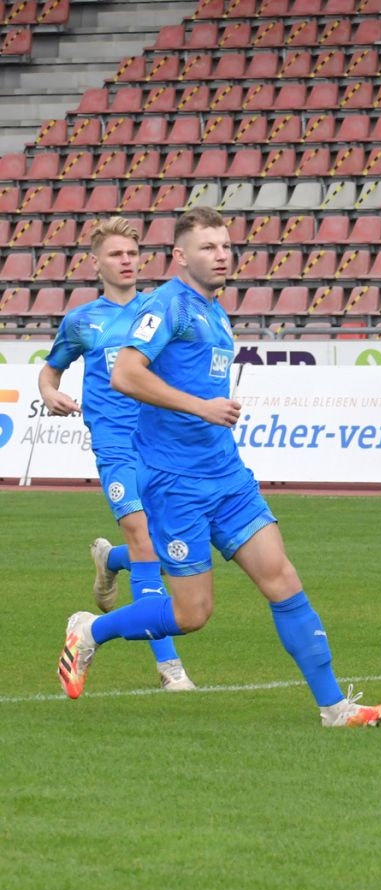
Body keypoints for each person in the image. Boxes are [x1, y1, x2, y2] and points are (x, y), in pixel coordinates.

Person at [57, 207, 381, 728]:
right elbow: (125, 373)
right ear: (180, 255)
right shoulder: (167, 306)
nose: (221, 256)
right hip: (174, 483)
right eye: (208, 247)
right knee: (192, 613)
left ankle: (334, 707)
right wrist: (200, 407)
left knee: (282, 579)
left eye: (226, 246)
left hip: (227, 476)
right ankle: (89, 631)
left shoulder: (214, 309)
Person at [39, 217, 194, 692]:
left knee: (174, 550)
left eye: (132, 253)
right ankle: (170, 668)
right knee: (146, 542)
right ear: (96, 263)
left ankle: (111, 560)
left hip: (160, 444)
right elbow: (51, 371)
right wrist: (49, 393)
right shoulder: (82, 321)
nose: (126, 261)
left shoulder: (159, 311)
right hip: (115, 446)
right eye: (116, 254)